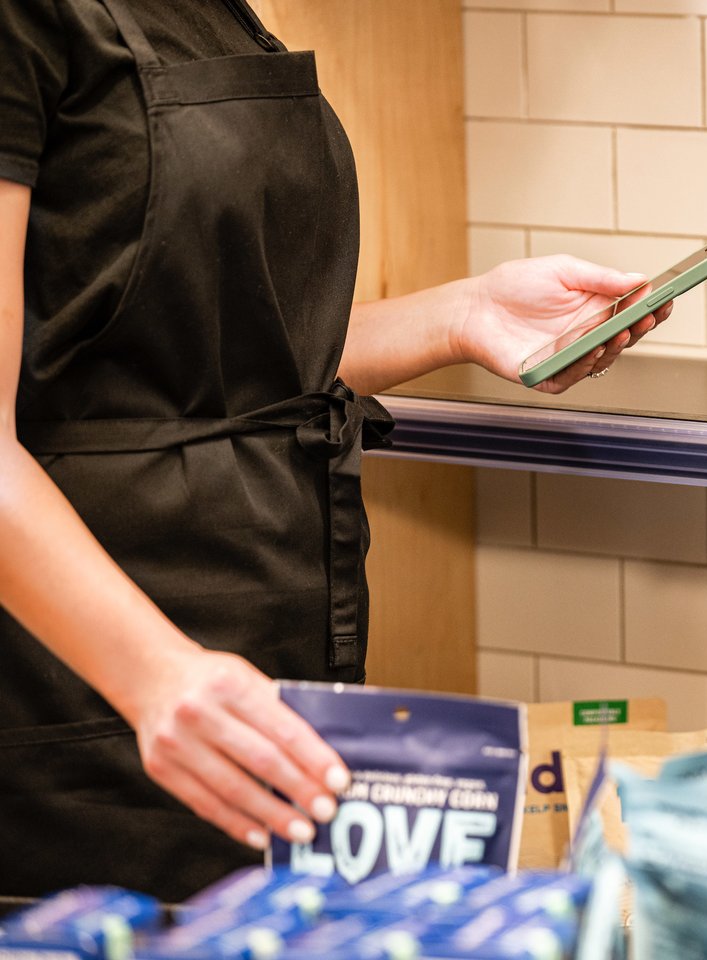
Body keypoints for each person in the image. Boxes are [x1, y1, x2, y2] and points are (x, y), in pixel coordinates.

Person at [0, 0, 668, 899]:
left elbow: (204, 351)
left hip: (264, 663)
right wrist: (153, 676)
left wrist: (463, 315)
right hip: (91, 697)